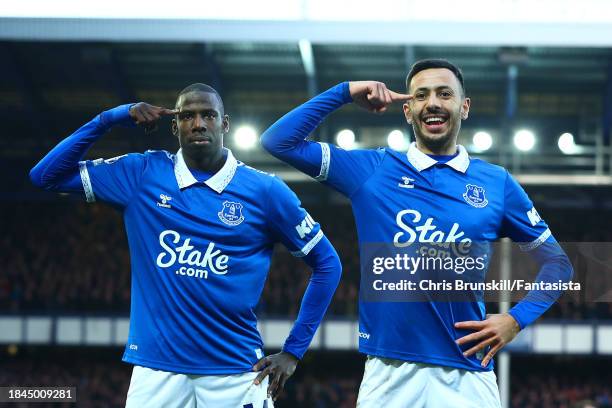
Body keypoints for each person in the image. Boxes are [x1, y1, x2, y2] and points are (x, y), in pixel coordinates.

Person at [261, 59, 574, 407]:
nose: (433, 103)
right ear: (408, 111)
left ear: (464, 107)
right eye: (421, 95)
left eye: (445, 94)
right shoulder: (372, 170)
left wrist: (516, 319)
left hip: (467, 378)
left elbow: (558, 265)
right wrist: (346, 91)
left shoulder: (497, 183)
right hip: (389, 375)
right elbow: (278, 141)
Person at [30, 83, 342, 407]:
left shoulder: (266, 191)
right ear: (173, 125)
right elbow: (45, 176)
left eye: (208, 115)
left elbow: (328, 264)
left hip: (236, 372)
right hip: (155, 372)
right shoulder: (142, 174)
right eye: (187, 116)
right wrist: (111, 118)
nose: (198, 124)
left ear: (225, 123)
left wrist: (293, 351)